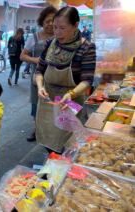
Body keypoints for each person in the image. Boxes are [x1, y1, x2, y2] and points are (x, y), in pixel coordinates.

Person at [35, 7, 96, 153]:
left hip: (70, 101)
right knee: (47, 138)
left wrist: (70, 94)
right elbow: (39, 70)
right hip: (47, 98)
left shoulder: (86, 48)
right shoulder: (50, 43)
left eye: (62, 28)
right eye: (55, 27)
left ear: (76, 25)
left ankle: (61, 168)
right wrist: (39, 86)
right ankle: (52, 164)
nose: (57, 32)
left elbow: (87, 80)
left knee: (65, 140)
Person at [20, 6, 57, 142]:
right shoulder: (34, 38)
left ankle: (52, 131)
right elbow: (23, 56)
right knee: (36, 105)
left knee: (54, 106)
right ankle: (38, 130)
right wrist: (38, 60)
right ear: (42, 22)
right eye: (47, 21)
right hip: (37, 79)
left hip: (56, 80)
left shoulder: (61, 37)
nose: (50, 24)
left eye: (53, 20)